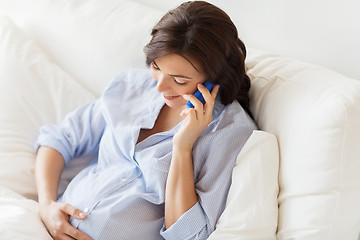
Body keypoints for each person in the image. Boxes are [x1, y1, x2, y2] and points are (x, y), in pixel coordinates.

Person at [34, 1, 257, 239]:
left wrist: (181, 149)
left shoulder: (229, 133)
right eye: (156, 67)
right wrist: (46, 205)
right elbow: (58, 139)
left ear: (215, 77)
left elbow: (189, 234)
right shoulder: (132, 87)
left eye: (179, 80)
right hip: (45, 227)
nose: (160, 86)